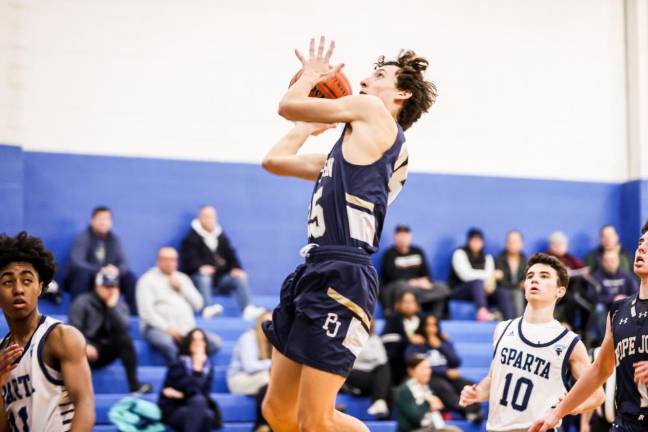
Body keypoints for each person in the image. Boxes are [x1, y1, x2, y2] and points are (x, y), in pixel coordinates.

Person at [260, 36, 437, 432]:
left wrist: (309, 77)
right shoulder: (350, 151)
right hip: (313, 269)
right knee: (278, 411)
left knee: (317, 420)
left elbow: (285, 104)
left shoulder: (374, 112)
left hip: (344, 274)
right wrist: (307, 126)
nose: (364, 80)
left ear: (402, 93)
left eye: (378, 75)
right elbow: (274, 161)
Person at [458, 253, 604, 431]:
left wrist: (570, 408)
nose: (535, 280)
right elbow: (494, 379)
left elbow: (597, 394)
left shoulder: (569, 343)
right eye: (530, 276)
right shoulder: (502, 329)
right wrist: (477, 393)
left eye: (544, 276)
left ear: (560, 291)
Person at [530, 221, 648, 432]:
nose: (642, 248)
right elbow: (599, 370)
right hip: (625, 425)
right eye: (641, 242)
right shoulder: (619, 310)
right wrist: (556, 413)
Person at [0, 231, 94, 430]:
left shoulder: (61, 337)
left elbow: (85, 407)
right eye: (8, 282)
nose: (18, 289)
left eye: (27, 281)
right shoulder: (2, 354)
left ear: (40, 287)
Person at [68, 270, 152, 394]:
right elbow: (73, 330)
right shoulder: (82, 302)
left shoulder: (119, 305)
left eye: (113, 286)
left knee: (126, 341)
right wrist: (84, 345)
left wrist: (112, 307)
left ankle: (134, 385)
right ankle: (75, 391)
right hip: (85, 349)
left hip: (105, 349)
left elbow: (124, 328)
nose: (110, 290)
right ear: (98, 286)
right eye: (107, 286)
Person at [136, 247, 221, 364]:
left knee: (214, 342)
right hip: (158, 329)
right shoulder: (147, 280)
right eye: (165, 259)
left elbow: (198, 304)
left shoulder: (182, 278)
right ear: (158, 261)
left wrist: (182, 288)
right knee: (166, 343)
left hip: (186, 329)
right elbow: (146, 312)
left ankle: (191, 363)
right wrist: (167, 328)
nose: (169, 263)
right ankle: (182, 368)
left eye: (172, 260)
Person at [180, 205, 263, 320]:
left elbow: (231, 254)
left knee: (239, 277)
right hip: (199, 279)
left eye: (212, 217)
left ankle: (248, 308)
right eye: (206, 217)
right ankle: (208, 308)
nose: (210, 220)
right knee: (204, 278)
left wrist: (236, 268)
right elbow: (188, 261)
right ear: (200, 218)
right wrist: (200, 268)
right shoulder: (191, 238)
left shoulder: (221, 236)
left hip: (219, 279)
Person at [405, 314, 483, 423]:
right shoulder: (417, 344)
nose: (431, 329)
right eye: (428, 325)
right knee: (444, 387)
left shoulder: (442, 341)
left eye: (434, 325)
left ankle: (473, 412)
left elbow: (456, 362)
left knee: (470, 385)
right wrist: (445, 372)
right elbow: (413, 365)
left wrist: (440, 346)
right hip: (430, 377)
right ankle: (467, 411)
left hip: (447, 376)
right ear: (422, 327)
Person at [63, 206, 138, 314]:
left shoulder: (114, 239)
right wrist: (100, 270)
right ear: (92, 220)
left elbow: (124, 263)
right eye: (100, 219)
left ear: (111, 222)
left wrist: (117, 270)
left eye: (107, 219)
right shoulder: (83, 237)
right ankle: (78, 314)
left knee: (130, 277)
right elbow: (77, 262)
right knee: (82, 274)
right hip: (89, 276)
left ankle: (131, 317)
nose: (103, 222)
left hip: (107, 277)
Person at [158, 328, 223, 432]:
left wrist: (182, 394)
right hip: (173, 408)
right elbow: (191, 390)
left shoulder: (208, 367)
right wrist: (197, 369)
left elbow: (204, 394)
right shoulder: (178, 363)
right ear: (189, 342)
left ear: (205, 344)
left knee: (208, 416)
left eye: (201, 340)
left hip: (195, 407)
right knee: (199, 403)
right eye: (194, 340)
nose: (198, 343)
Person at [380, 225, 450, 317]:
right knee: (402, 286)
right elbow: (391, 275)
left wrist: (424, 282)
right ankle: (405, 317)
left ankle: (436, 318)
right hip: (399, 286)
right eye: (400, 236)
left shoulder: (418, 251)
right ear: (395, 237)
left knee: (442, 288)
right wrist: (411, 282)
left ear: (410, 237)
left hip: (418, 287)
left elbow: (426, 273)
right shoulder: (389, 254)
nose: (403, 239)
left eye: (405, 236)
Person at [449, 228, 514, 321]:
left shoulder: (487, 257)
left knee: (502, 293)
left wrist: (489, 285)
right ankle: (482, 312)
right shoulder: (459, 253)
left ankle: (509, 321)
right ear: (468, 241)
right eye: (473, 240)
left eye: (479, 241)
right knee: (477, 283)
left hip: (483, 291)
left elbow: (491, 280)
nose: (476, 243)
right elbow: (466, 275)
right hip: (460, 290)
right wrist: (490, 275)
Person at [546, 231, 597, 339]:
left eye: (564, 244)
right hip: (556, 291)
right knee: (572, 299)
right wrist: (562, 273)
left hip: (574, 289)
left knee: (588, 303)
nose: (563, 247)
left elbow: (582, 268)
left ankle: (585, 332)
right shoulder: (547, 258)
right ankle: (570, 328)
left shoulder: (569, 257)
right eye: (559, 244)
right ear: (552, 246)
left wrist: (584, 273)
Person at [395, 354, 461, 432]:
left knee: (454, 430)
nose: (427, 372)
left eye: (428, 368)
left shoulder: (428, 388)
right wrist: (429, 403)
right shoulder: (404, 391)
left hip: (430, 428)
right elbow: (416, 417)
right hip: (413, 429)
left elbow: (437, 409)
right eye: (423, 368)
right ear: (411, 371)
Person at [343, 323, 392, 419]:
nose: (370, 325)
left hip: (372, 373)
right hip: (353, 372)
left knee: (384, 369)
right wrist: (372, 357)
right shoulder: (351, 338)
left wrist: (370, 357)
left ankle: (380, 409)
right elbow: (356, 357)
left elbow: (382, 359)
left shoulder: (376, 339)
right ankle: (379, 402)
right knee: (384, 380)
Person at [590, 250, 638, 345]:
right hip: (605, 308)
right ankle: (603, 342)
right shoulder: (596, 277)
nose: (610, 263)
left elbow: (636, 293)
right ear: (603, 262)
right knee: (598, 309)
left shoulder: (626, 276)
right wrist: (613, 299)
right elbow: (592, 297)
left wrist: (625, 299)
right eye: (607, 261)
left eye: (613, 260)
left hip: (625, 306)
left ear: (618, 261)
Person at [382, 290, 424, 385]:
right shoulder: (394, 319)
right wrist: (409, 340)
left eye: (411, 302)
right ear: (399, 304)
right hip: (397, 361)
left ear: (417, 304)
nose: (408, 305)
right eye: (405, 302)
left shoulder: (422, 320)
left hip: (419, 360)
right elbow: (386, 340)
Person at [494, 230, 528, 317]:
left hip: (520, 291)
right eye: (510, 241)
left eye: (515, 241)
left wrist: (525, 283)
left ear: (521, 243)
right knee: (514, 293)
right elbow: (501, 282)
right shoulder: (499, 258)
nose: (512, 244)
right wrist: (518, 285)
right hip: (504, 290)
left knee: (520, 293)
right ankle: (514, 324)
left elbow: (526, 278)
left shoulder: (526, 260)